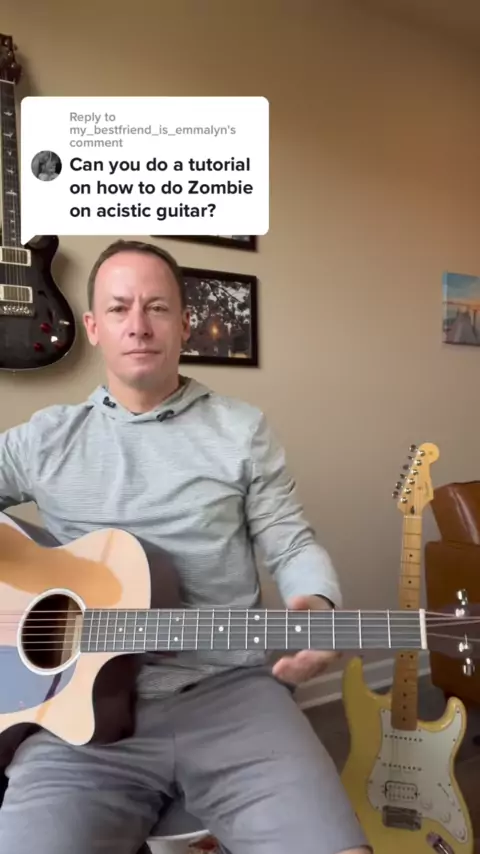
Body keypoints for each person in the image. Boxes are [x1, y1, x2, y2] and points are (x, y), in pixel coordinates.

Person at [0, 239, 371, 854]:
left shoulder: (241, 429)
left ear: (185, 325)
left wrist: (318, 603)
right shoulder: (43, 440)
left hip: (233, 695)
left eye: (157, 307)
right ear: (92, 327)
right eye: (119, 308)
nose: (138, 325)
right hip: (73, 720)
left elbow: (289, 539)